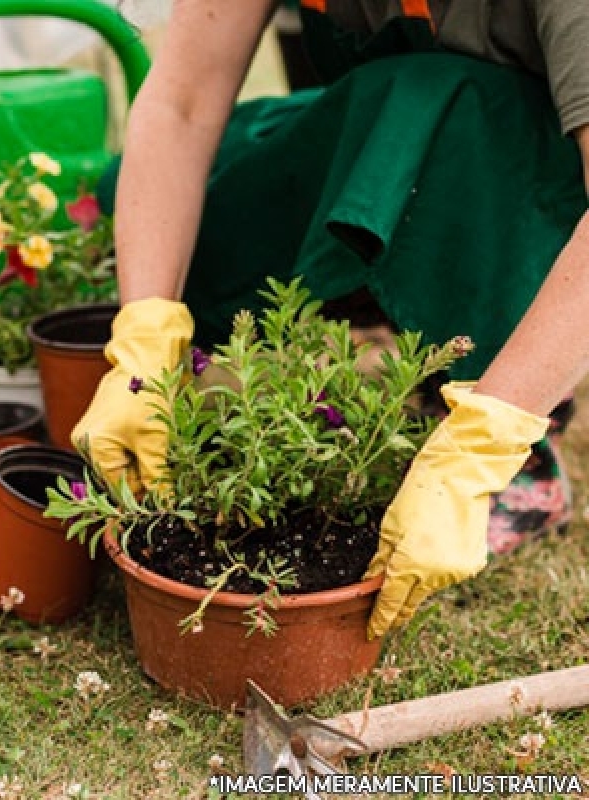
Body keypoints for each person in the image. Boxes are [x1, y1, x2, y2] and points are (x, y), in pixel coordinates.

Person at [72, 0, 589, 639]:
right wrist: (145, 333)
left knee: (443, 96)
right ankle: (393, 332)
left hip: (538, 185)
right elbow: (181, 103)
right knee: (137, 189)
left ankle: (523, 445)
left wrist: (485, 445)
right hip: (398, 140)